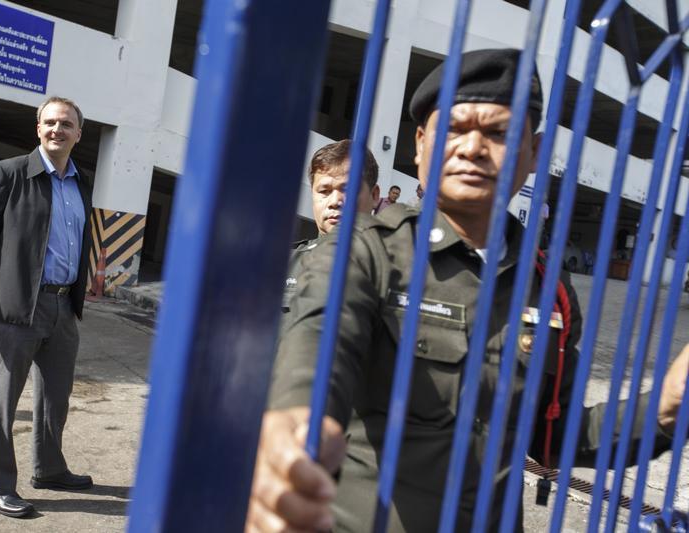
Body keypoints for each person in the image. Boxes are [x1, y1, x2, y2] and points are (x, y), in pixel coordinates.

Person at [247, 49, 689, 532]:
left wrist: (666, 403)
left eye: (498, 133)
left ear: (534, 153)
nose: (473, 148)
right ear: (420, 145)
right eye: (454, 130)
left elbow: (552, 435)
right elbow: (317, 356)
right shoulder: (365, 253)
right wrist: (293, 434)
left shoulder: (547, 289)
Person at [0, 96, 93, 518]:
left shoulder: (81, 181)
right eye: (49, 122)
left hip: (64, 307)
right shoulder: (11, 172)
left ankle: (49, 469)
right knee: (2, 401)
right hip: (17, 308)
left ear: (78, 134)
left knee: (56, 397)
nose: (57, 129)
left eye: (66, 124)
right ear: (37, 128)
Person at [283, 140, 379, 311]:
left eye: (348, 190)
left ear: (374, 195)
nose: (335, 201)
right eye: (324, 191)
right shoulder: (284, 264)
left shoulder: (396, 271)